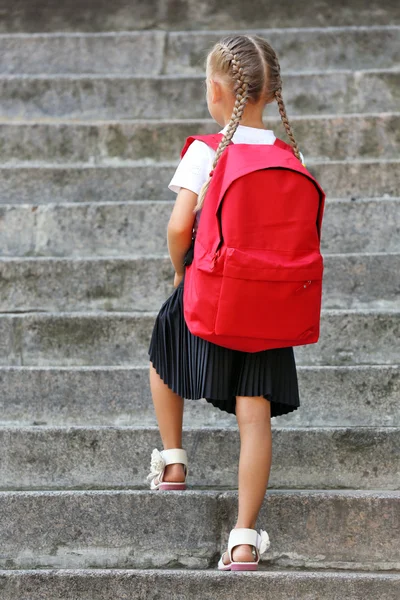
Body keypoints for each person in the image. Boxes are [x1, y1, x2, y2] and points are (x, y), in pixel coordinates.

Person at [147, 34, 307, 571]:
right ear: (271, 92)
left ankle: (172, 460)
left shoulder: (206, 150)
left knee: (162, 350)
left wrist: (180, 271)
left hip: (211, 290)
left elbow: (178, 226)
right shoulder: (291, 156)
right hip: (268, 306)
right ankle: (243, 538)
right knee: (254, 417)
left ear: (216, 91)